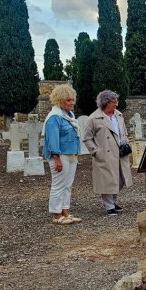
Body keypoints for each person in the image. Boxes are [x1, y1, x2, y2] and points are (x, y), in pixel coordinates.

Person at [82, 90, 134, 216]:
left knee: (120, 179)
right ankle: (109, 206)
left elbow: (123, 132)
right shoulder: (94, 118)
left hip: (121, 152)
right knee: (107, 180)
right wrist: (96, 152)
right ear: (105, 102)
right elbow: (87, 138)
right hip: (105, 153)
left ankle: (113, 201)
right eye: (113, 102)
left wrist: (126, 144)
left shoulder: (119, 115)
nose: (116, 104)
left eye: (116, 101)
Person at [42, 84, 81, 225]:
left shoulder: (69, 115)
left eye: (72, 99)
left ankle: (66, 212)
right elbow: (52, 139)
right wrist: (56, 158)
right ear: (59, 100)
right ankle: (57, 214)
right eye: (68, 100)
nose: (72, 102)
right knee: (58, 184)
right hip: (60, 156)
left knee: (68, 185)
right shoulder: (54, 117)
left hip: (71, 154)